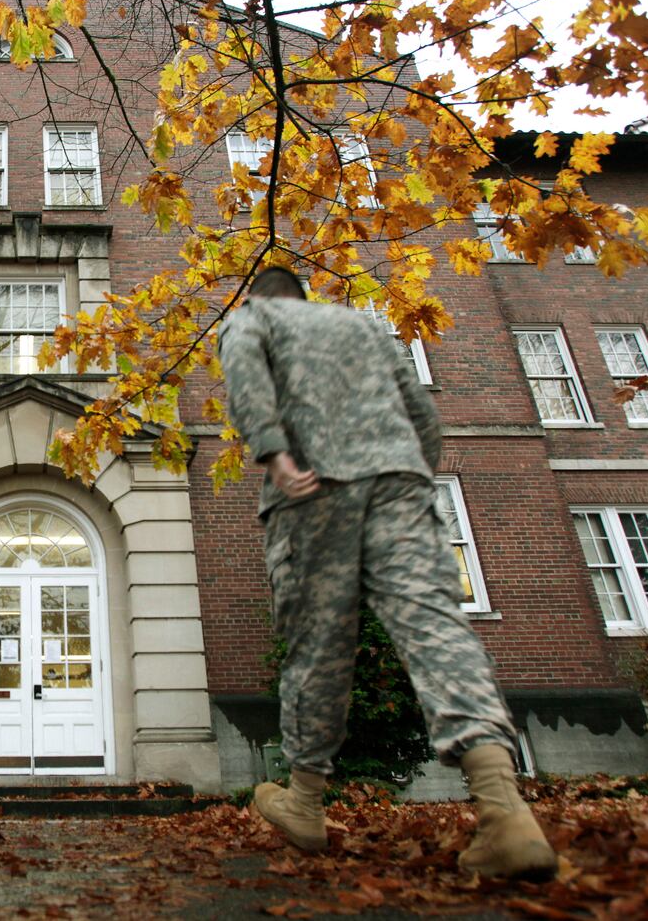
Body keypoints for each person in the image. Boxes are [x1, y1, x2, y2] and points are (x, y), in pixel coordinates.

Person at [218, 266, 557, 881]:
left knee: (319, 647)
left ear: (259, 298)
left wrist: (275, 454)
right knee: (436, 625)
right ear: (305, 296)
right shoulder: (363, 326)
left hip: (313, 485)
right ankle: (505, 810)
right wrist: (413, 474)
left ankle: (305, 801)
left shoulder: (253, 318)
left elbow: (245, 378)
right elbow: (423, 414)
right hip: (402, 481)